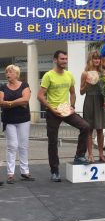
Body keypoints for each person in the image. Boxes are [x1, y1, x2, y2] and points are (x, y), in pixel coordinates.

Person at [37, 50, 90, 182]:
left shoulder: (69, 75)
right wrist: (51, 109)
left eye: (66, 59)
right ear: (55, 60)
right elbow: (40, 96)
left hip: (66, 110)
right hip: (53, 112)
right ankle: (54, 171)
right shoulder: (48, 76)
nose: (65, 61)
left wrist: (72, 106)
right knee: (53, 142)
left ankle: (79, 155)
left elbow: (72, 93)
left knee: (86, 126)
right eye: (62, 59)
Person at [0, 65, 35, 184]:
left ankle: (25, 171)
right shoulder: (3, 87)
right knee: (12, 146)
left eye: (10, 72)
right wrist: (17, 102)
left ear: (16, 74)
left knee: (23, 145)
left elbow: (25, 100)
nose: (7, 74)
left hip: (23, 119)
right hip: (9, 120)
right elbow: (1, 103)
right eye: (6, 72)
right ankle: (10, 173)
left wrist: (9, 103)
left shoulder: (24, 85)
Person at [80, 51, 105, 162]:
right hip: (89, 100)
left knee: (100, 129)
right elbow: (81, 92)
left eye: (98, 59)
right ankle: (90, 154)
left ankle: (101, 154)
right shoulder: (85, 73)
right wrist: (87, 83)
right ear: (90, 60)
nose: (97, 61)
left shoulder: (103, 73)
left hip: (100, 101)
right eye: (94, 58)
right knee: (89, 129)